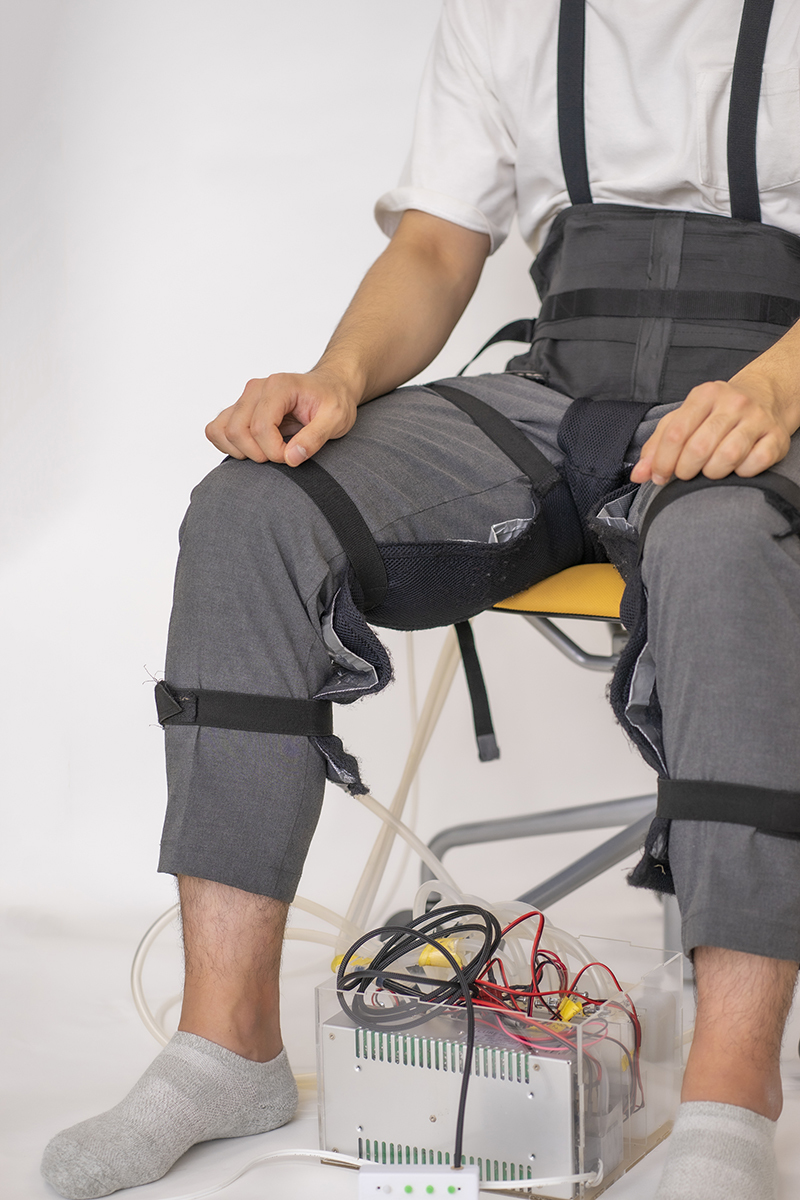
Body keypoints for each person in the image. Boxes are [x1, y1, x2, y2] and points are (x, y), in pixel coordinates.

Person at [42, 2, 800, 1199]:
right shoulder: (500, 16)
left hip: (783, 376)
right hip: (563, 390)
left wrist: (775, 386)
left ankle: (728, 1105)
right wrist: (334, 379)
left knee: (717, 544)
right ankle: (224, 1043)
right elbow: (438, 247)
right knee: (254, 508)